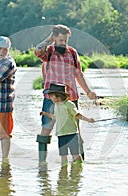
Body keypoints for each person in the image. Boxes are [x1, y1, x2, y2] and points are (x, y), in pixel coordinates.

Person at [35, 24, 97, 162]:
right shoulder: (48, 52)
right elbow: (38, 51)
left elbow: (78, 74)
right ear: (54, 38)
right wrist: (48, 40)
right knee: (46, 129)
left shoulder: (72, 53)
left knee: (75, 131)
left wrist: (88, 91)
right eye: (60, 40)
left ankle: (80, 163)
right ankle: (42, 164)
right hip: (50, 98)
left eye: (65, 40)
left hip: (70, 98)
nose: (63, 43)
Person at [40, 83, 95, 166]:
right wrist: (45, 113)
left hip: (72, 134)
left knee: (76, 155)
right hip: (61, 134)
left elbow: (77, 115)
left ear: (58, 96)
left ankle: (80, 170)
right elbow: (55, 117)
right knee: (63, 156)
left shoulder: (69, 104)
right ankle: (63, 172)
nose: (50, 98)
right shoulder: (56, 105)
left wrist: (88, 120)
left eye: (51, 96)